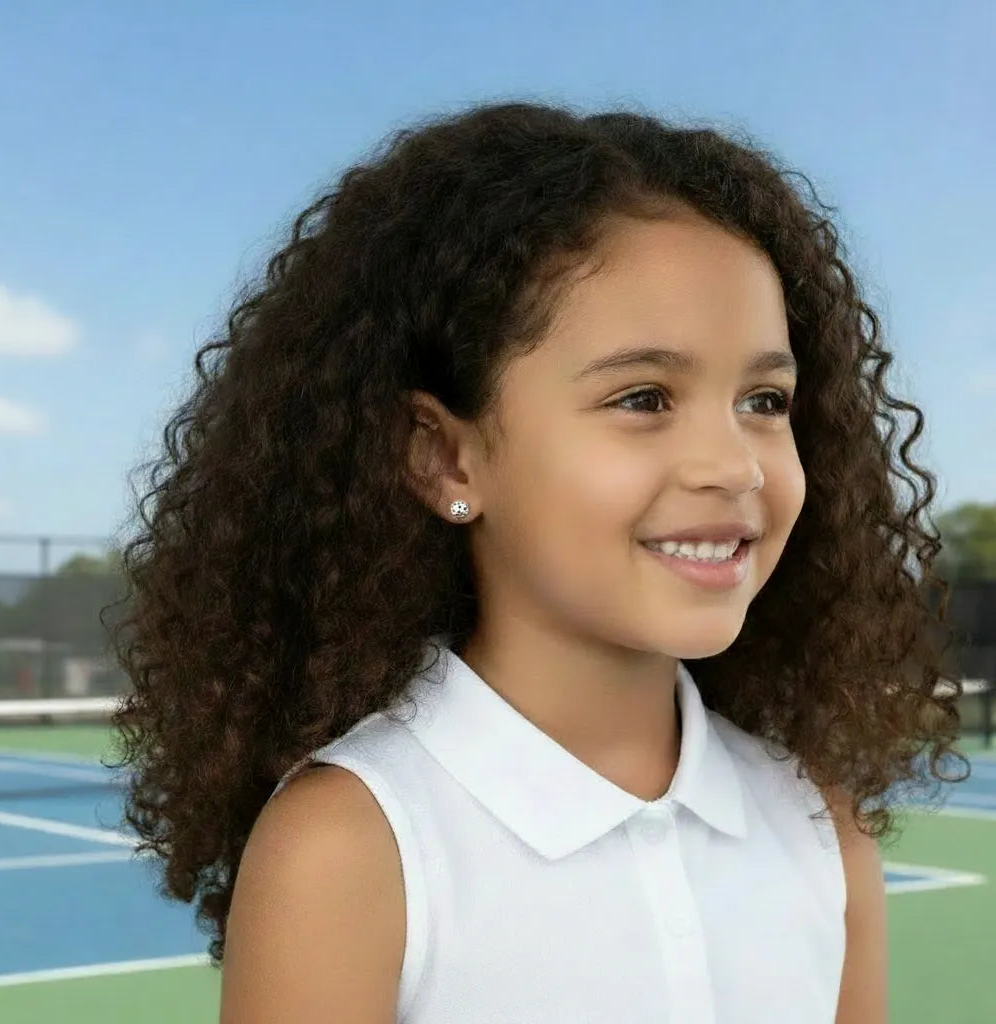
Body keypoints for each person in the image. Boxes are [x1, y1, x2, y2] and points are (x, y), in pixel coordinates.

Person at [103, 99, 969, 1023]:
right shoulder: (354, 847)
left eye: (764, 398)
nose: (733, 464)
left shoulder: (819, 829)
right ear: (446, 458)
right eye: (643, 397)